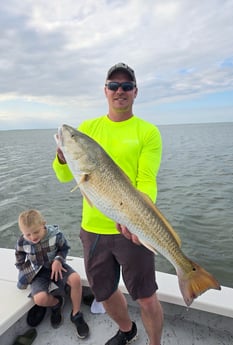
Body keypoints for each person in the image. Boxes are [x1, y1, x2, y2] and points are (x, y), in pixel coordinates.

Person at [53, 62, 164, 345]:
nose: (120, 91)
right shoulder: (88, 129)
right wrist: (63, 157)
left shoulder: (148, 132)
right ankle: (127, 330)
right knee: (103, 292)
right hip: (93, 229)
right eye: (113, 85)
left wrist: (139, 218)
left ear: (135, 92)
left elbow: (146, 180)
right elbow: (64, 175)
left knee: (147, 296)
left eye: (126, 86)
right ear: (105, 90)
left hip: (132, 226)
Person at [15, 209, 89, 339]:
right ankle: (56, 303)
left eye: (36, 232)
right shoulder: (22, 241)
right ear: (22, 233)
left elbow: (64, 248)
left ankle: (76, 313)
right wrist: (25, 271)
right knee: (39, 299)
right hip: (38, 271)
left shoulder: (56, 235)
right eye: (28, 234)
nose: (32, 237)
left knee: (76, 279)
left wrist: (58, 260)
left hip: (57, 266)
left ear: (43, 224)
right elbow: (19, 257)